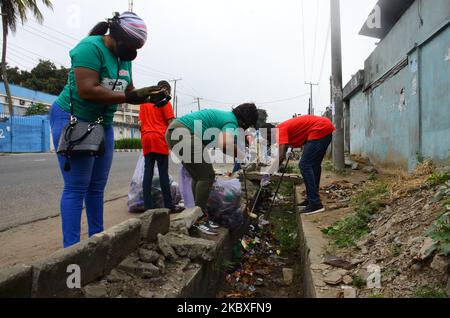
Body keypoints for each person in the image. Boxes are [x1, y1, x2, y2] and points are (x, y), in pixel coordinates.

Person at [50, 12, 169, 248]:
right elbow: (87, 89)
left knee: (96, 187)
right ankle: (71, 251)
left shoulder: (124, 59)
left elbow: (129, 89)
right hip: (75, 120)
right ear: (116, 36)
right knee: (76, 186)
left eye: (138, 48)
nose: (133, 52)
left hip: (103, 123)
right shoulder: (89, 48)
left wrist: (150, 96)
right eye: (131, 45)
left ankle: (97, 242)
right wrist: (129, 96)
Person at [166, 104, 259, 235]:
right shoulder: (231, 121)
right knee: (207, 176)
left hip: (174, 132)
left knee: (198, 176)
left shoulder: (227, 117)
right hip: (184, 133)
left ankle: (193, 214)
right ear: (244, 121)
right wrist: (242, 157)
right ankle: (199, 218)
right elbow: (225, 145)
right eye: (246, 126)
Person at [262, 115, 335, 215]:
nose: (270, 141)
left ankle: (315, 204)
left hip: (320, 128)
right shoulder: (281, 129)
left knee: (304, 165)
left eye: (268, 138)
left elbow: (281, 155)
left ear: (270, 132)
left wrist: (268, 173)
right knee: (314, 165)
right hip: (324, 127)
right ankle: (312, 199)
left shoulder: (279, 130)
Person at [140, 81, 181, 213]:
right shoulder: (165, 102)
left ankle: (147, 205)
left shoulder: (144, 103)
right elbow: (171, 124)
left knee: (148, 172)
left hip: (146, 139)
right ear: (167, 91)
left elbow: (141, 123)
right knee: (163, 174)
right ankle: (169, 205)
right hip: (159, 139)